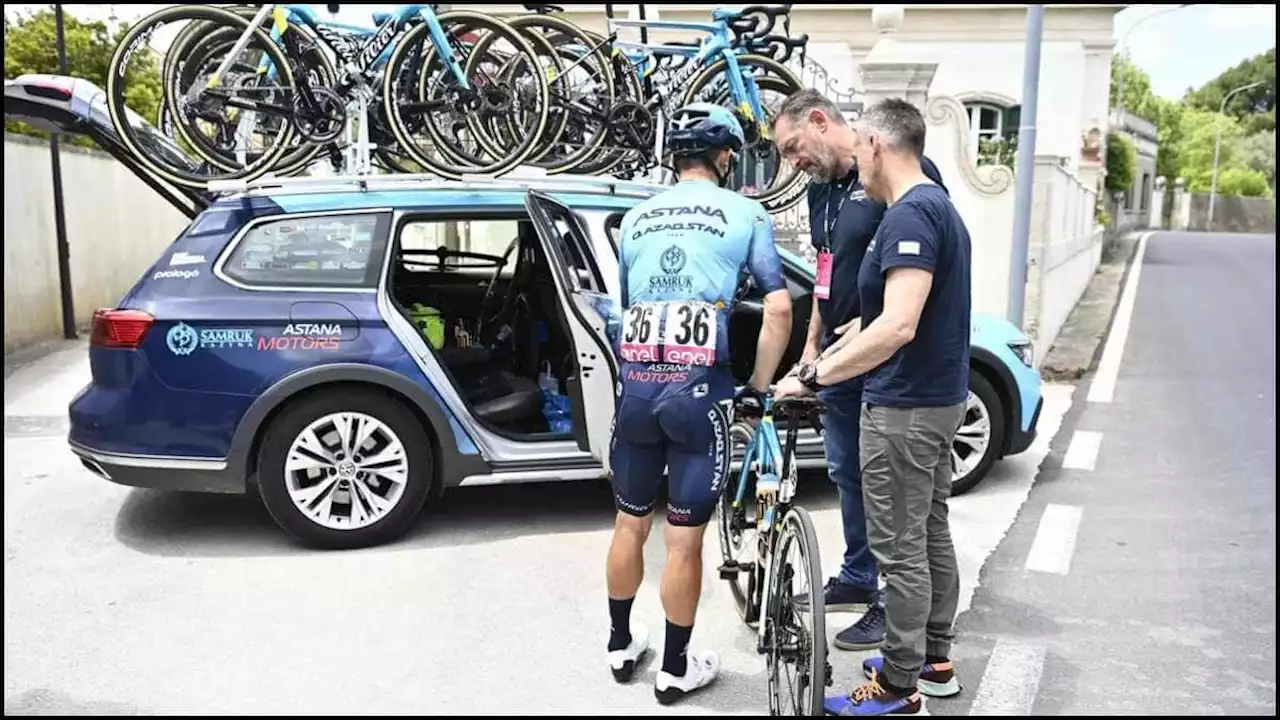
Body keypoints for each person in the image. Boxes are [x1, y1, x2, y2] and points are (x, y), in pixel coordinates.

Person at [774, 97, 972, 716]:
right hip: (934, 402)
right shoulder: (933, 210)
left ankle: (898, 687)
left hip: (905, 407)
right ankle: (933, 663)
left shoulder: (909, 214)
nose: (856, 156)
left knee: (901, 549)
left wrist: (815, 374)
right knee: (930, 531)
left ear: (879, 147)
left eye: (862, 145)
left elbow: (899, 328)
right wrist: (845, 337)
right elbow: (884, 311)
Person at [603, 102, 794, 706]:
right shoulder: (746, 212)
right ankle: (675, 669)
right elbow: (780, 308)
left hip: (637, 388)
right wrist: (759, 390)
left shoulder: (635, 217)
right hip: (699, 392)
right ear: (724, 156)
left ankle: (619, 646)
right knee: (684, 541)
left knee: (629, 523)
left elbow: (630, 305)